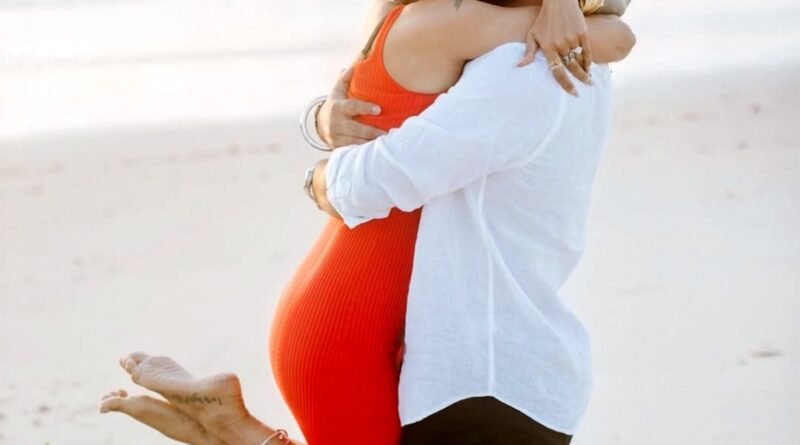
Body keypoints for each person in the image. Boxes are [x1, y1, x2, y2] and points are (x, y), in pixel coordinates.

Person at [98, 1, 634, 444]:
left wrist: (316, 123)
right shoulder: (479, 33)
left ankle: (234, 432)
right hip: (351, 320)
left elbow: (609, 29)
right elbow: (614, 35)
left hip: (358, 308)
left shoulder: (472, 36)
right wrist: (316, 176)